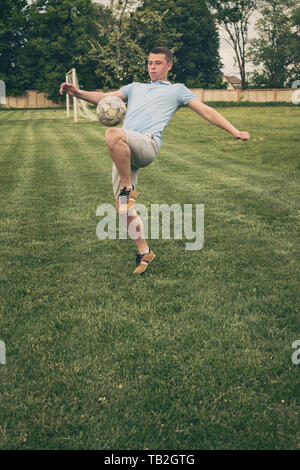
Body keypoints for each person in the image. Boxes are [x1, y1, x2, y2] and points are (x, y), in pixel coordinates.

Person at [60, 46, 250, 275]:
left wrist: (234, 131)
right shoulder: (135, 88)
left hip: (147, 145)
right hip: (125, 149)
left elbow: (206, 111)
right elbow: (105, 98)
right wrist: (77, 92)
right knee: (123, 209)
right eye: (150, 63)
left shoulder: (178, 90)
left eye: (158, 63)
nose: (153, 67)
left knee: (112, 134)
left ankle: (127, 188)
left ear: (169, 65)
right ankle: (144, 252)